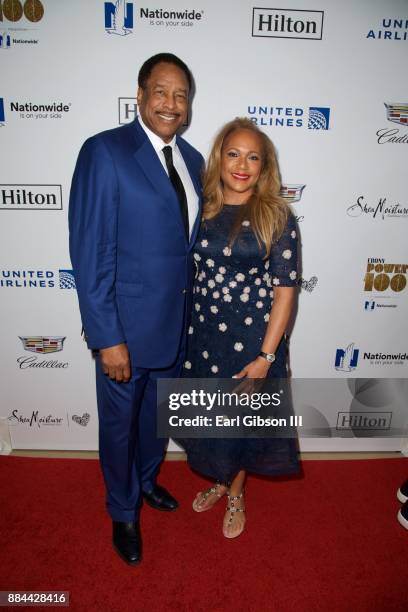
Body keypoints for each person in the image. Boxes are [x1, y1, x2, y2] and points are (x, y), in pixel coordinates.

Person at [69, 53, 203, 565]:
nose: (171, 103)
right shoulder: (105, 152)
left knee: (154, 424)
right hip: (124, 332)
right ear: (141, 96)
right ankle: (123, 511)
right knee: (120, 426)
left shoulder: (192, 160)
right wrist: (106, 337)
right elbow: (91, 250)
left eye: (181, 95)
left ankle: (147, 482)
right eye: (161, 92)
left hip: (176, 328)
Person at [178, 117, 300, 539]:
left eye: (253, 157)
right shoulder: (202, 206)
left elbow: (285, 292)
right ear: (220, 157)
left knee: (242, 422)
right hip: (202, 336)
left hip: (251, 343)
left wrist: (266, 358)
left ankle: (236, 494)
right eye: (233, 153)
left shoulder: (277, 215)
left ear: (264, 167)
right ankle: (219, 478)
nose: (242, 164)